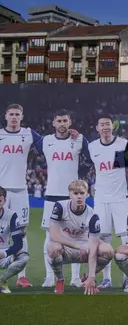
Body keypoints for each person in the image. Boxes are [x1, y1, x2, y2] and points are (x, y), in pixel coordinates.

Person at [0, 103, 78, 287]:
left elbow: (54, 142)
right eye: (11, 114)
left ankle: (21, 277)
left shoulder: (29, 134)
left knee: (21, 232)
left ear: (21, 116)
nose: (13, 117)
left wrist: (69, 132)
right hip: (0, 190)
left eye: (17, 114)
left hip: (19, 191)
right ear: (5, 116)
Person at [88, 113, 128, 289]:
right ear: (97, 128)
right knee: (103, 240)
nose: (105, 127)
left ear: (113, 126)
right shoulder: (92, 146)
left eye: (108, 124)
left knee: (127, 239)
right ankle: (107, 279)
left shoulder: (122, 145)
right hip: (101, 199)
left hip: (120, 198)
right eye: (101, 124)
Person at [41, 109, 91, 288]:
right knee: (49, 236)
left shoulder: (79, 139)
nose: (62, 124)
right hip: (52, 194)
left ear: (70, 122)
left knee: (76, 236)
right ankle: (50, 277)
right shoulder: (46, 140)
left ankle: (75, 278)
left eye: (65, 121)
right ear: (53, 123)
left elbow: (92, 159)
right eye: (59, 121)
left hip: (72, 194)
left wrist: (80, 174)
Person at [46, 179, 113, 294]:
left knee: (108, 251)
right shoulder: (60, 207)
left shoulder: (92, 215)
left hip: (86, 248)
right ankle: (60, 279)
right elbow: (54, 236)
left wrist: (91, 277)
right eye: (75, 193)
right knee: (52, 248)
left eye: (82, 193)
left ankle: (86, 278)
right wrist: (77, 246)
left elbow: (93, 247)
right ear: (69, 194)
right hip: (66, 247)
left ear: (87, 194)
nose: (79, 197)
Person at [0, 186, 30, 293]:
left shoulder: (11, 215)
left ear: (4, 201)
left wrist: (4, 253)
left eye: (0, 200)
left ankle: (2, 281)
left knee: (24, 258)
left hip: (4, 254)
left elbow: (18, 244)